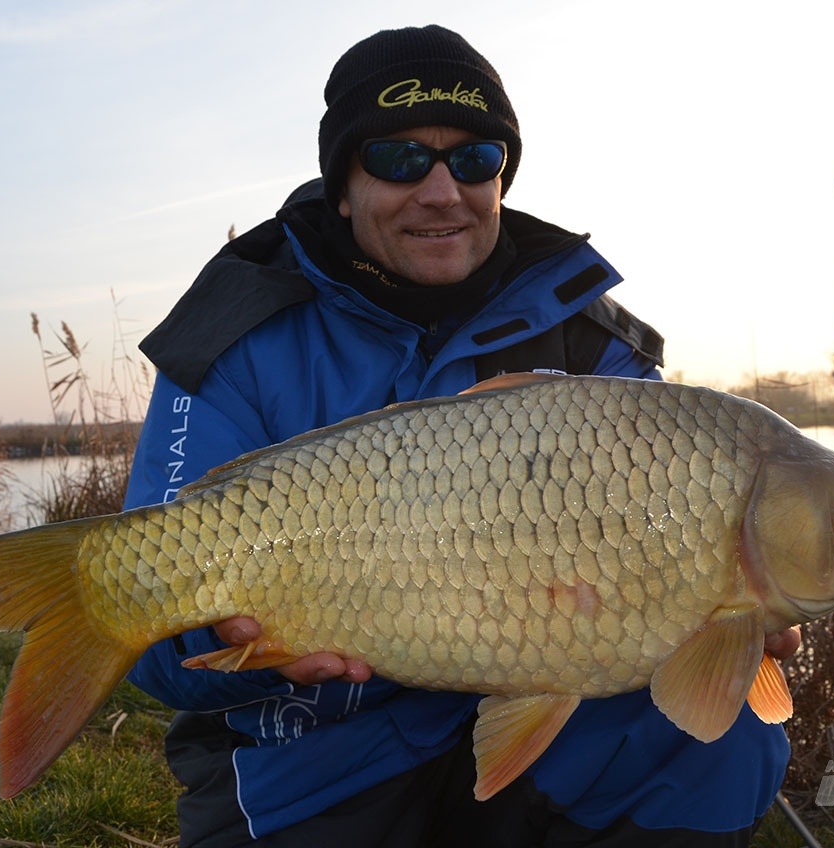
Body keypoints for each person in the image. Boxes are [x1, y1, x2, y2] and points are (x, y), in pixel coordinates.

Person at [123, 24, 795, 847]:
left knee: (724, 736)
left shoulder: (595, 347)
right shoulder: (237, 332)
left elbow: (688, 584)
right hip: (310, 752)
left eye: (474, 159)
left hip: (548, 736)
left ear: (501, 177)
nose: (442, 190)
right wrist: (220, 633)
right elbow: (152, 652)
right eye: (400, 159)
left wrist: (718, 627)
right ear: (342, 185)